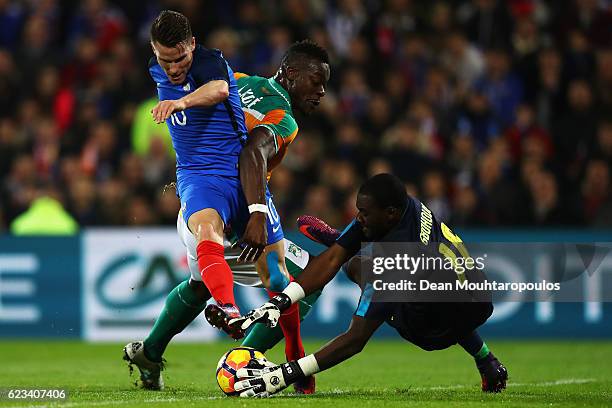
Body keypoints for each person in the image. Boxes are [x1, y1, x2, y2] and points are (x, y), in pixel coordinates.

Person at [231, 173, 508, 397]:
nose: (359, 217)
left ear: (389, 213)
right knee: (351, 259)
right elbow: (329, 263)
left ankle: (350, 246)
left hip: (430, 327)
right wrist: (282, 301)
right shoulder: (406, 205)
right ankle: (487, 359)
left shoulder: (397, 262)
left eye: (364, 213)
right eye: (358, 211)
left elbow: (354, 340)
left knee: (354, 266)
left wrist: (284, 375)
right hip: (475, 295)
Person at [122, 10, 282, 389]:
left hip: (243, 179)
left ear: (192, 44)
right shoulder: (154, 66)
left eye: (180, 58)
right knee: (207, 231)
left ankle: (152, 351)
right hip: (198, 179)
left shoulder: (211, 62)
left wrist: (180, 103)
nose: (174, 68)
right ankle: (228, 309)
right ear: (154, 51)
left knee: (278, 278)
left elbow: (220, 91)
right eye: (166, 60)